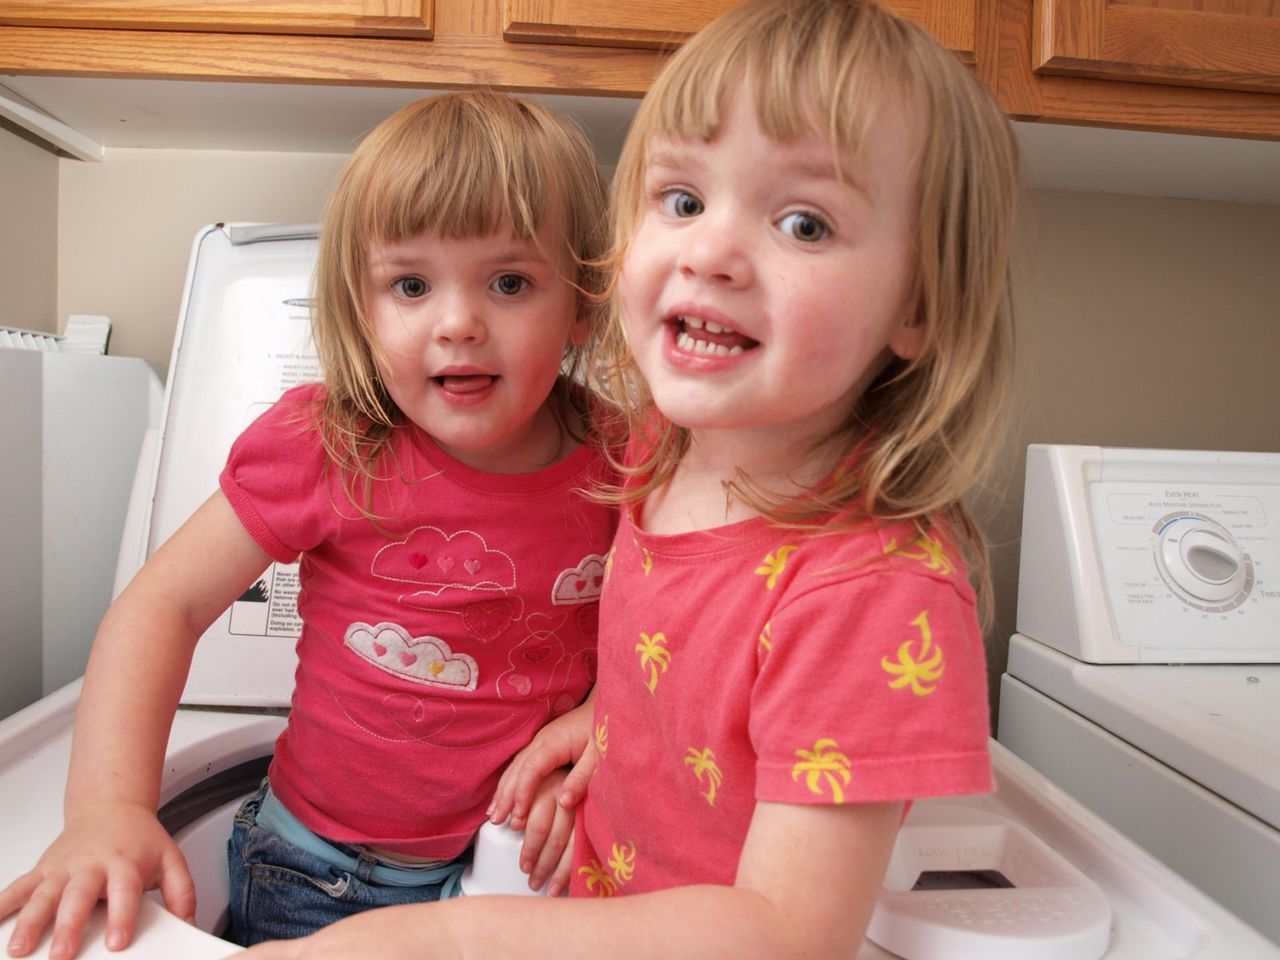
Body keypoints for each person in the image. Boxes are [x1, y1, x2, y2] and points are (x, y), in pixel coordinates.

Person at [237, 0, 1021, 955]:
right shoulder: (657, 452)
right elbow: (685, 662)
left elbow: (788, 931)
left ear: (921, 304)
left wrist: (430, 942)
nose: (709, 252)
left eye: (805, 222)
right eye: (682, 201)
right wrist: (601, 720)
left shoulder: (878, 595)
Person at [0, 91, 616, 959]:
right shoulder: (330, 445)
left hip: (521, 864)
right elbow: (162, 605)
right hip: (323, 873)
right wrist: (107, 811)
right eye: (410, 284)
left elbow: (679, 622)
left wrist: (602, 715)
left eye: (510, 282)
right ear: (363, 310)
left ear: (582, 305)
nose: (458, 323)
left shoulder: (628, 461)